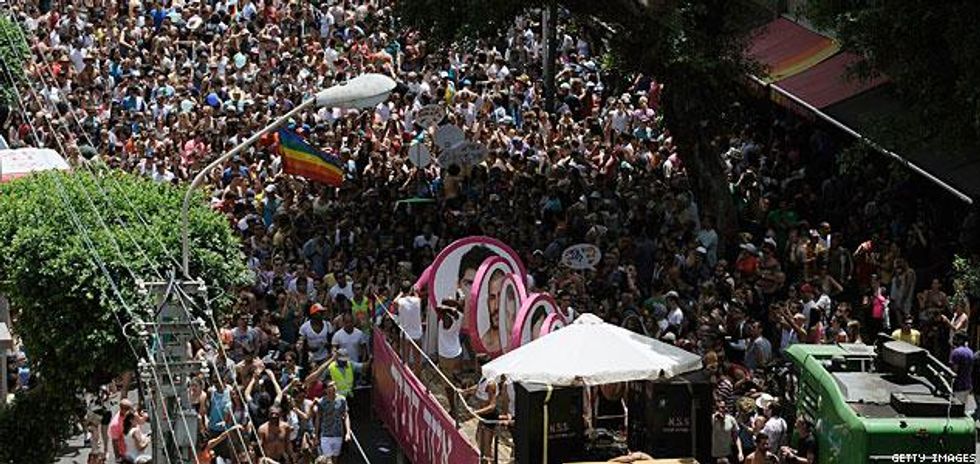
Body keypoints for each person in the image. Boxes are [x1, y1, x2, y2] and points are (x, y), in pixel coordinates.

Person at [315, 381, 350, 464]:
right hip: (325, 435)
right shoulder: (321, 402)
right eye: (330, 386)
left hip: (338, 434)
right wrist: (316, 435)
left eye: (334, 385)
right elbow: (318, 419)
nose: (333, 387)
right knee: (327, 460)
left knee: (335, 459)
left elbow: (346, 416)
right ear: (326, 390)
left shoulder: (342, 400)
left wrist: (348, 432)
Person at [949, 332, 973, 406]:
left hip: (958, 385)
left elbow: (954, 370)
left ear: (960, 340)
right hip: (967, 384)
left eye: (955, 339)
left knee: (956, 408)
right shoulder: (970, 351)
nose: (953, 340)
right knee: (963, 407)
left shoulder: (956, 352)